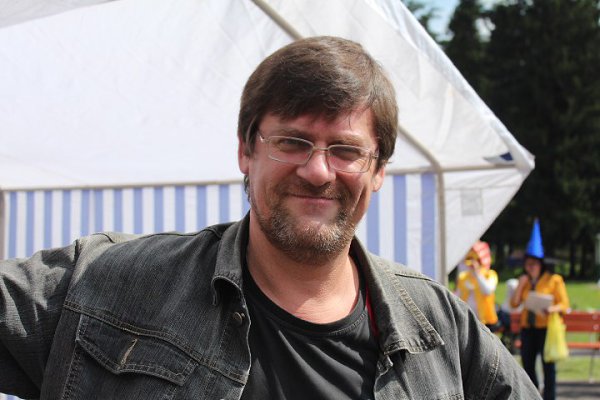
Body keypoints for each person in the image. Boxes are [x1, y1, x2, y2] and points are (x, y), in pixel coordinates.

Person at [0, 36, 540, 399]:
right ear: (246, 151)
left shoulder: (441, 328)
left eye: (346, 151)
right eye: (292, 142)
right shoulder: (109, 283)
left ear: (378, 171)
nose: (318, 171)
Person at [511, 219, 570, 400]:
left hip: (546, 329)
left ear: (540, 264)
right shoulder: (524, 281)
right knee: (528, 365)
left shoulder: (554, 280)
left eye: (533, 264)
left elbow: (564, 305)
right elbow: (514, 304)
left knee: (548, 367)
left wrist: (551, 308)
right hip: (528, 329)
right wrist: (521, 286)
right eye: (527, 264)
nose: (530, 268)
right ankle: (533, 395)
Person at [456, 241, 501, 331]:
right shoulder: (463, 277)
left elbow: (488, 291)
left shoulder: (490, 274)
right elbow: (458, 295)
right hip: (467, 320)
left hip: (486, 322)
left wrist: (477, 273)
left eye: (476, 259)